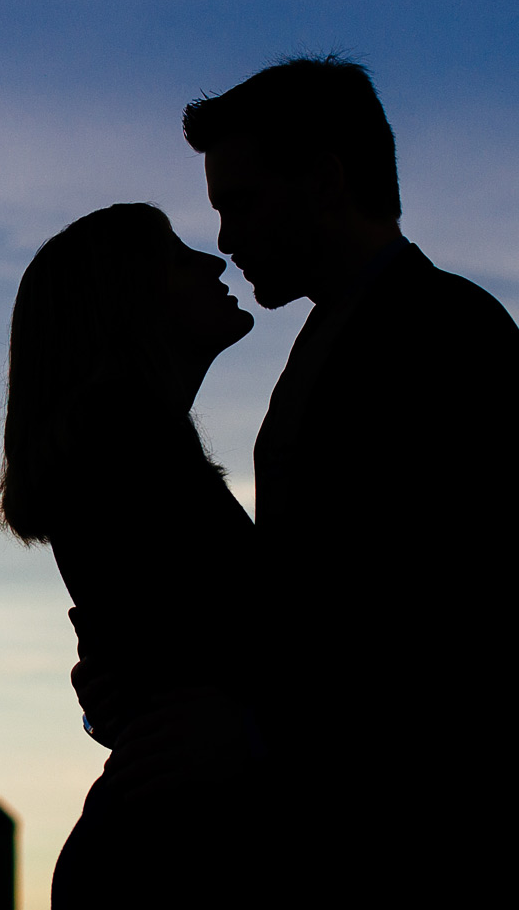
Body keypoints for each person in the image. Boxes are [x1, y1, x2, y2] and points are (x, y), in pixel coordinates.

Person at [176, 54, 518, 900]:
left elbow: (460, 614)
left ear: (325, 180)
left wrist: (259, 735)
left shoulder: (449, 333)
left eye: (241, 202)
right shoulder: (343, 334)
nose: (224, 238)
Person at [0, 202, 266, 905]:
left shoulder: (114, 448)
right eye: (178, 257)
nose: (212, 261)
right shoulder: (127, 445)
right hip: (183, 860)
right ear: (127, 303)